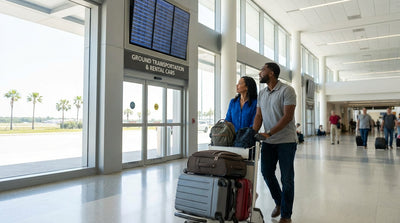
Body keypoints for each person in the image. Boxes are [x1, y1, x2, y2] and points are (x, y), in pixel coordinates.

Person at [253, 62, 297, 223]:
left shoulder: (287, 90)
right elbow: (259, 116)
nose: (260, 73)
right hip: (268, 142)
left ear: (271, 73)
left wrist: (269, 132)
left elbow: (287, 117)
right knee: (266, 173)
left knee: (286, 179)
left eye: (262, 70)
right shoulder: (262, 93)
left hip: (286, 141)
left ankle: (286, 215)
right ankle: (279, 202)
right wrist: (253, 133)